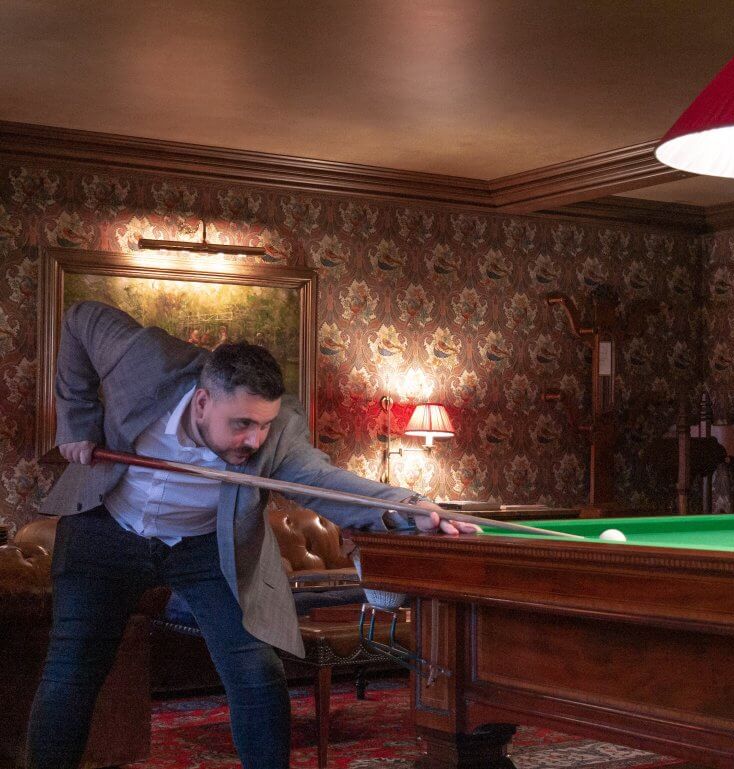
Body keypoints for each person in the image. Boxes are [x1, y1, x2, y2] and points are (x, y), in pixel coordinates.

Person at [25, 300, 476, 769]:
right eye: (241, 424)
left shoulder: (277, 434)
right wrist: (76, 419)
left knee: (257, 672)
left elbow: (323, 482)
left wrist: (410, 507)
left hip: (204, 548)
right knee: (70, 672)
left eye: (263, 424)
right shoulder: (144, 359)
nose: (254, 440)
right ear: (203, 402)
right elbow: (79, 318)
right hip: (105, 530)